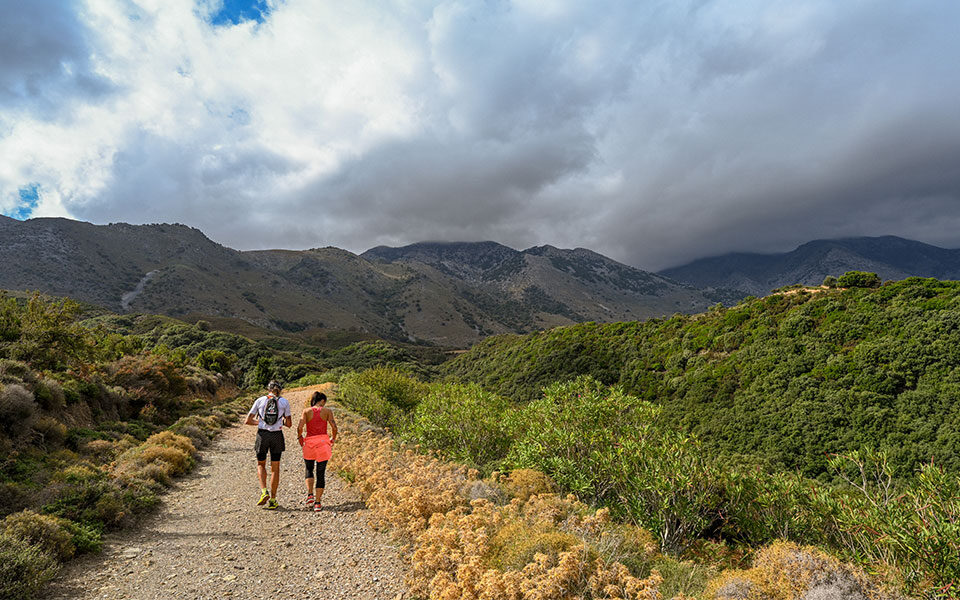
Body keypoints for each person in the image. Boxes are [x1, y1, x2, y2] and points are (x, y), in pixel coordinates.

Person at [245, 380, 292, 510]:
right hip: (277, 436)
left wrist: (260, 423)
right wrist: (279, 421)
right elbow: (289, 424)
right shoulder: (284, 402)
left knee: (261, 464)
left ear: (268, 389)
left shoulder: (259, 400)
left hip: (262, 435)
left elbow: (248, 421)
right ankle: (273, 500)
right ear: (280, 390)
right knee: (275, 468)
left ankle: (264, 491)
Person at [297, 391, 338, 511]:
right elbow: (334, 427)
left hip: (309, 442)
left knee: (309, 468)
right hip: (323, 443)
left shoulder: (306, 411)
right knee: (321, 472)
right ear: (323, 401)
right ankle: (318, 503)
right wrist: (333, 438)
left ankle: (310, 494)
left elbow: (299, 427)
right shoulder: (327, 411)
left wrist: (300, 438)